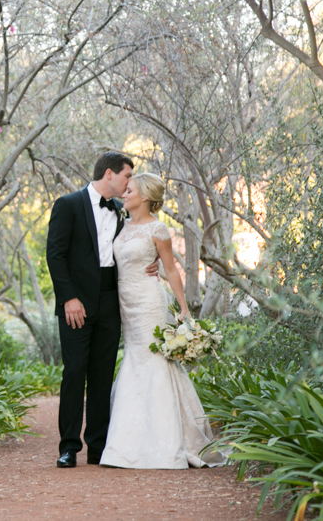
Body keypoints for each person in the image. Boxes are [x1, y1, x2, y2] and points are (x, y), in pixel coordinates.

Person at [99, 172, 226, 469]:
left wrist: (183, 308)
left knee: (154, 360)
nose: (123, 192)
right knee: (134, 358)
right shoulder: (120, 223)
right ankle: (128, 441)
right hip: (125, 303)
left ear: (144, 196)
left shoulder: (159, 229)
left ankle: (165, 442)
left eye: (129, 189)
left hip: (149, 302)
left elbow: (170, 270)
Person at [45, 152, 158, 468]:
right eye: (126, 176)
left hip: (111, 303)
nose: (128, 183)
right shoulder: (67, 205)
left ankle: (98, 447)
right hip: (76, 306)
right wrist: (68, 297)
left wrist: (155, 261)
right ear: (109, 174)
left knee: (101, 375)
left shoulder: (124, 212)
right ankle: (68, 446)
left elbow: (144, 239)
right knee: (74, 372)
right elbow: (55, 255)